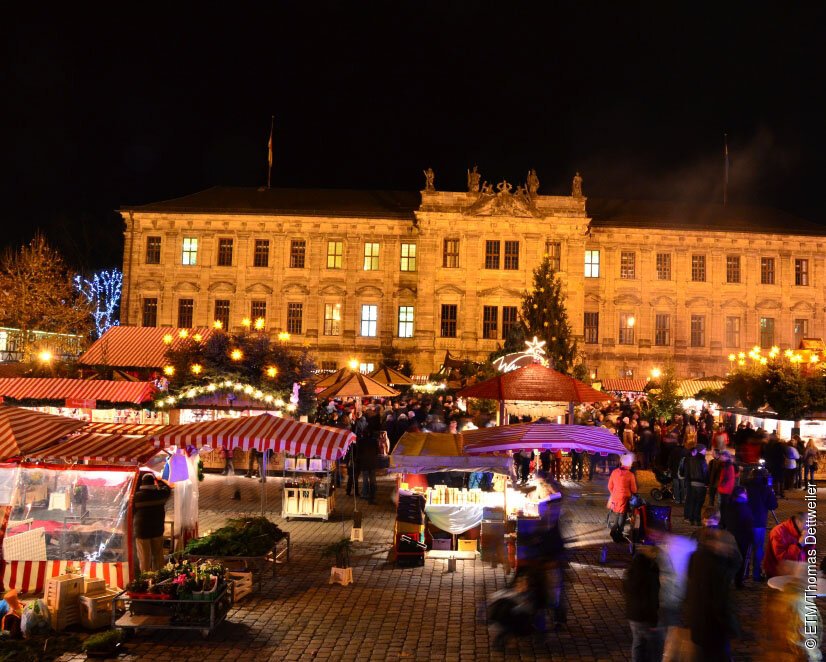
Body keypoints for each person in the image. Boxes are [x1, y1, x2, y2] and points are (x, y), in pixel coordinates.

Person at [684, 507, 742, 660]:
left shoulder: (697, 538)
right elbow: (737, 561)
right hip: (712, 618)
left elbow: (688, 565)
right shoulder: (726, 537)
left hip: (700, 615)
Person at [623, 545, 666, 661]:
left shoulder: (631, 570)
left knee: (637, 644)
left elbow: (625, 590)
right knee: (656, 646)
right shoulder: (650, 574)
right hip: (645, 618)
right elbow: (651, 599)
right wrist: (653, 621)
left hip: (632, 616)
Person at [133, 473, 171, 573]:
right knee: (158, 556)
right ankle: (158, 578)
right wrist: (159, 480)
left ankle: (145, 579)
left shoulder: (136, 497)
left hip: (142, 531)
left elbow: (131, 512)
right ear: (153, 483)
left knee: (144, 558)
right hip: (157, 530)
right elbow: (168, 489)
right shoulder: (160, 495)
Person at [745, 468, 777, 583]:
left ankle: (744, 572)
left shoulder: (746, 488)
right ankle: (756, 574)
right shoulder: (766, 489)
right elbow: (773, 505)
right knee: (758, 548)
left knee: (745, 547)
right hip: (759, 523)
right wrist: (771, 491)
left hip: (745, 522)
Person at [722, 486, 753, 588]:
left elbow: (724, 521)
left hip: (730, 535)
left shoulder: (729, 505)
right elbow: (748, 524)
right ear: (741, 494)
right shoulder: (744, 506)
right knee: (741, 560)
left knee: (730, 558)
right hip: (742, 537)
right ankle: (738, 581)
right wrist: (751, 537)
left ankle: (727, 579)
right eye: (745, 493)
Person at [763, 512, 810, 579]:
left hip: (796, 572)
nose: (809, 527)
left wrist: (810, 542)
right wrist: (799, 545)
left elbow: (809, 552)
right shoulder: (778, 532)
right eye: (807, 524)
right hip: (777, 574)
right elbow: (783, 559)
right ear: (798, 522)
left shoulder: (803, 531)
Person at [607, 454, 638, 543]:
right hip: (624, 498)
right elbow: (634, 489)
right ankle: (618, 534)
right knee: (622, 517)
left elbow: (609, 486)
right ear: (628, 464)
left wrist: (614, 493)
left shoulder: (614, 472)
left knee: (617, 515)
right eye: (631, 463)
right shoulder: (630, 475)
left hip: (615, 497)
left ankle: (613, 532)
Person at [684, 445, 709, 526]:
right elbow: (705, 473)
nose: (705, 450)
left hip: (692, 484)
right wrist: (707, 483)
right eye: (705, 449)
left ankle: (691, 519)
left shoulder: (691, 459)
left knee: (693, 502)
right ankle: (697, 520)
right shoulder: (702, 460)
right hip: (700, 484)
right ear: (701, 450)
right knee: (699, 503)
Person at [715, 451, 736, 524]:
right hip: (725, 489)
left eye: (722, 456)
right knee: (723, 506)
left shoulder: (728, 466)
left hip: (725, 489)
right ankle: (723, 521)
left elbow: (726, 477)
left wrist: (721, 484)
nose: (720, 457)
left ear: (726, 457)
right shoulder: (726, 465)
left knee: (724, 507)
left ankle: (724, 522)